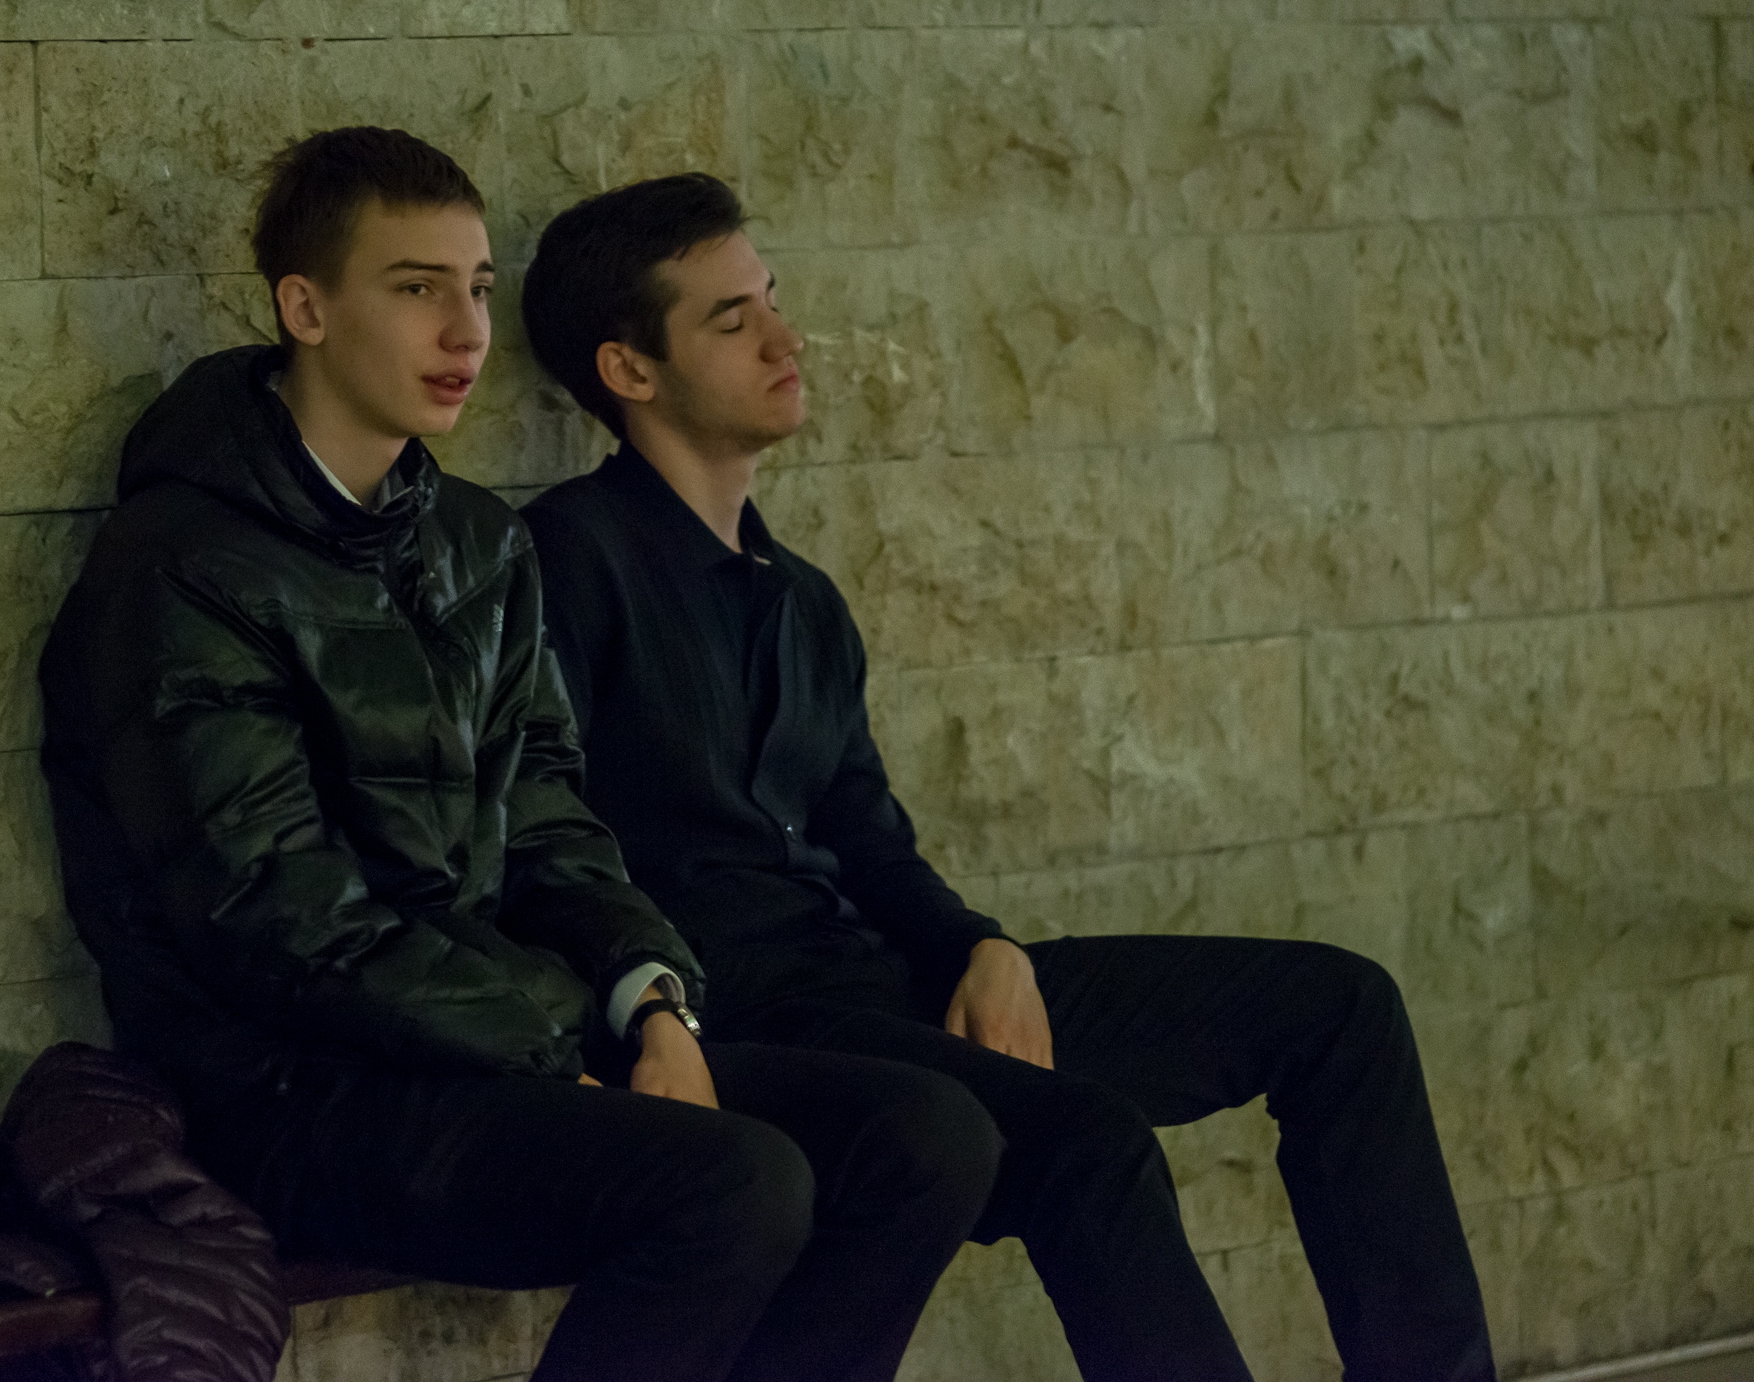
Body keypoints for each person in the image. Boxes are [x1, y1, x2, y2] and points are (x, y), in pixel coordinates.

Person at [36, 129, 1004, 1382]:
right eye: (416, 288)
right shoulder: (182, 567)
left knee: (925, 1136)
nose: (465, 332)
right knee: (733, 1185)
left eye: (480, 288)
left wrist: (651, 1004)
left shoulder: (474, 546)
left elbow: (550, 820)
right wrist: (551, 1046)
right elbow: (280, 921)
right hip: (288, 1088)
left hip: (487, 1044)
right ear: (305, 308)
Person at [516, 172, 1498, 1382]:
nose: (786, 337)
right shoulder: (568, 558)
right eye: (734, 319)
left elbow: (869, 838)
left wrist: (980, 945)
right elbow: (543, 832)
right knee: (1090, 1137)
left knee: (1340, 1009)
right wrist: (649, 1015)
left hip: (882, 986)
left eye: (772, 299)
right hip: (747, 1018)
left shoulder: (801, 600)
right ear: (629, 369)